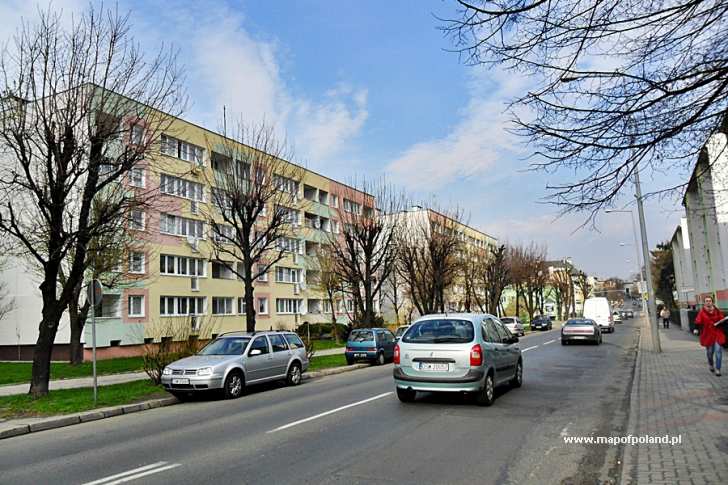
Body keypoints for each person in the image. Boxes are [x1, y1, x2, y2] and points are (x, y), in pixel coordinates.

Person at [695, 296, 726, 376]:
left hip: (717, 334)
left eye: (710, 301)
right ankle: (711, 364)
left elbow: (722, 319)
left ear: (712, 302)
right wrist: (696, 328)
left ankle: (718, 369)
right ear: (704, 303)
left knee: (718, 351)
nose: (708, 302)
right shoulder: (702, 312)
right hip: (707, 335)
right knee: (709, 352)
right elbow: (698, 321)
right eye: (706, 301)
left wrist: (721, 322)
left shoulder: (717, 311)